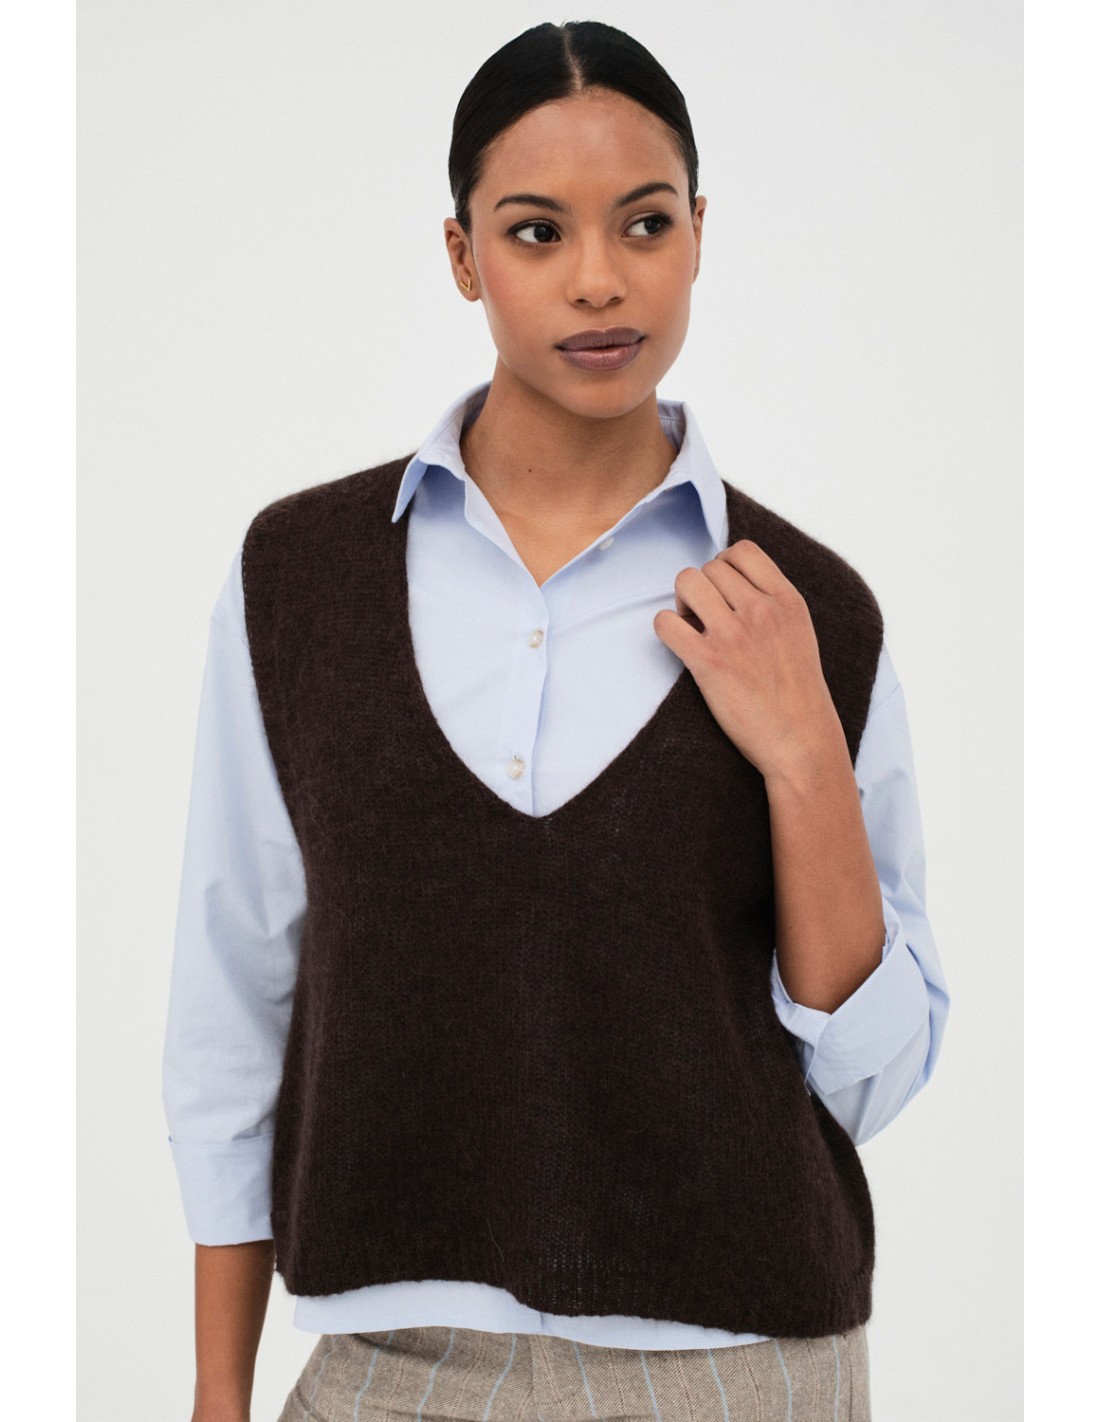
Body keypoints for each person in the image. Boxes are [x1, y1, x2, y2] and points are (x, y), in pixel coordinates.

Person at [162, 19, 949, 1422]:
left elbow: (869, 1077)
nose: (600, 278)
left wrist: (805, 759)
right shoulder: (301, 576)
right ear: (463, 255)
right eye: (537, 232)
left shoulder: (808, 608)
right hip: (393, 1361)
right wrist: (220, 1391)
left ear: (699, 234)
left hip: (741, 1370)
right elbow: (236, 995)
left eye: (645, 223)